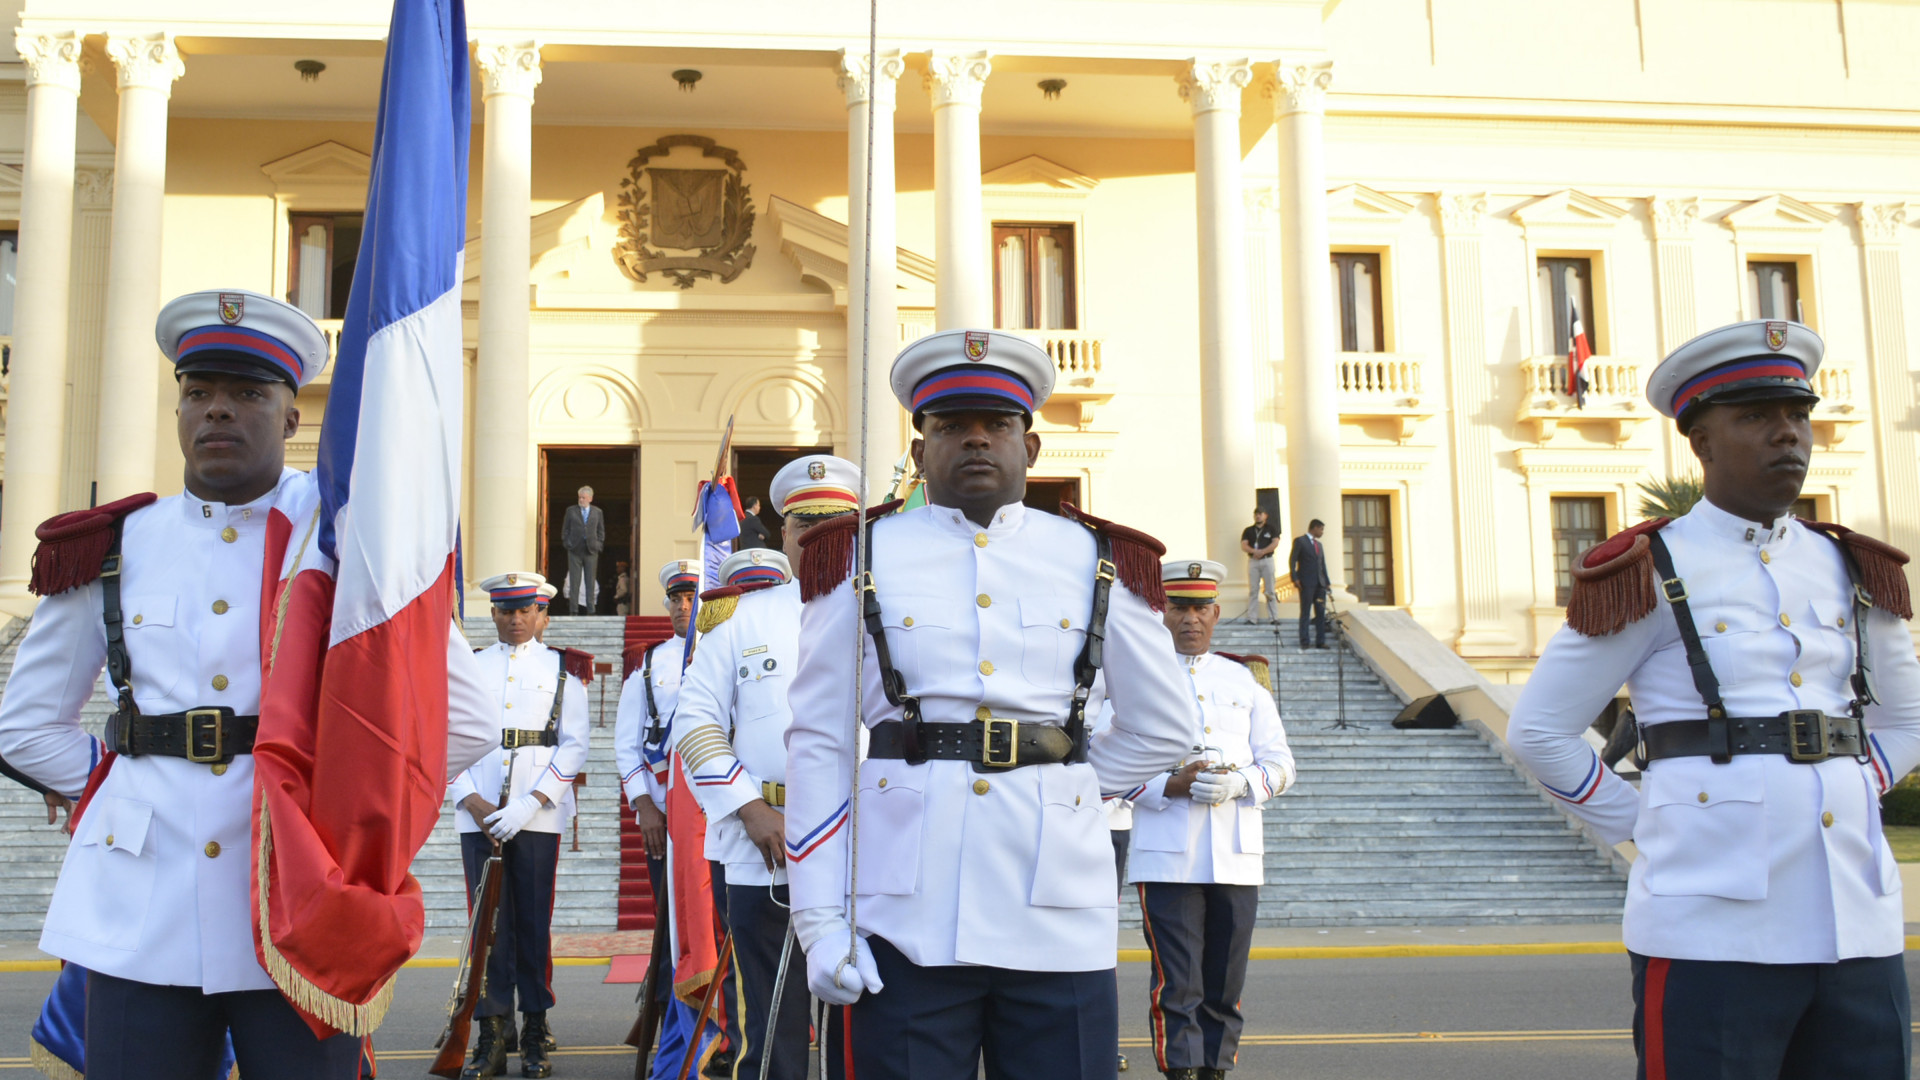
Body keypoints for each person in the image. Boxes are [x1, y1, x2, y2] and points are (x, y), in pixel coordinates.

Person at [0, 287, 500, 1080]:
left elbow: (464, 719)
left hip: (303, 895)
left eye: (248, 394)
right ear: (177, 411)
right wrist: (122, 785)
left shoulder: (348, 541)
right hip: (140, 902)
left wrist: (340, 810)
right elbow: (26, 726)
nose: (218, 410)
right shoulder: (114, 545)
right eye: (198, 392)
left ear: (294, 417)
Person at [1506, 318, 1920, 1080]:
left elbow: (1908, 719)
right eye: (1757, 417)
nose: (1787, 434)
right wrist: (1644, 822)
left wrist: (1864, 779)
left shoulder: (1852, 566)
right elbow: (1540, 731)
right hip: (1708, 929)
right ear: (1700, 443)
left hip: (1858, 925)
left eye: (1797, 415)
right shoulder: (1648, 569)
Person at [784, 327, 1196, 1080]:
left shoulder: (1098, 559)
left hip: (1056, 914)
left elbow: (1166, 726)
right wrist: (819, 919)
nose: (976, 440)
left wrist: (1059, 780)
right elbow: (819, 743)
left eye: (997, 424)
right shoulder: (858, 555)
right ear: (920, 452)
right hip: (901, 914)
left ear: (1030, 447)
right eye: (951, 426)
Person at [677, 453, 860, 1080]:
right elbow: (694, 721)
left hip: (867, 840)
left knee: (862, 1020)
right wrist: (747, 807)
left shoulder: (888, 614)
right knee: (771, 1015)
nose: (818, 537)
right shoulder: (739, 617)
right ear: (784, 534)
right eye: (804, 524)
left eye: (834, 524)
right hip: (764, 843)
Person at [1119, 560, 1293, 1080]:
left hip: (1235, 853)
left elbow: (1281, 763)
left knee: (1225, 982)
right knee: (1177, 982)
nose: (1190, 619)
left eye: (1200, 608)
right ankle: (1181, 1070)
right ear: (1161, 612)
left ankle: (1215, 1069)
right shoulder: (1135, 677)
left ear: (1216, 613)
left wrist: (1243, 783)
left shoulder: (1244, 679)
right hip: (1167, 852)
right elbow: (1104, 763)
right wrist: (1165, 785)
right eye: (1179, 607)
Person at [451, 572, 593, 1080]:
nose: (516, 619)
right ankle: (491, 1033)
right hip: (479, 813)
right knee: (488, 928)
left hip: (538, 814)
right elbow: (444, 734)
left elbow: (574, 745)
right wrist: (469, 799)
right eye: (506, 611)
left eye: (525, 610)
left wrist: (531, 803)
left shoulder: (562, 669)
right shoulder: (469, 665)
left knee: (532, 924)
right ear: (492, 613)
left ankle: (534, 1028)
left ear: (542, 615)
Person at [1287, 520, 1331, 651]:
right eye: (1321, 529)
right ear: (1315, 528)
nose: (1322, 532)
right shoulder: (1300, 541)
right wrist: (1295, 578)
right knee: (1306, 612)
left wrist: (1327, 582)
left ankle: (1320, 641)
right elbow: (1292, 560)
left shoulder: (1319, 545)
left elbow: (1322, 565)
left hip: (1320, 584)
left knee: (1321, 613)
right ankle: (1305, 641)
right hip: (1306, 583)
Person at [562, 485, 606, 614]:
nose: (581, 500)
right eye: (579, 497)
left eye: (583, 498)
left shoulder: (597, 512)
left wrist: (599, 545)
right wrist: (567, 543)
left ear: (590, 498)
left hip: (591, 550)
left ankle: (591, 610)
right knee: (574, 581)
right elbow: (565, 529)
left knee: (590, 581)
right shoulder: (571, 511)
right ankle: (573, 610)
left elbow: (601, 531)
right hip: (575, 550)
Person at [1239, 509, 1279, 623]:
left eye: (1260, 514)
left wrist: (1263, 551)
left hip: (1267, 560)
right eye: (1256, 514)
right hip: (1253, 561)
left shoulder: (1271, 529)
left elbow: (1275, 542)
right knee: (1253, 590)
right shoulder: (1248, 530)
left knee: (1270, 590)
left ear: (1265, 515)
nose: (1258, 516)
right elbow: (1244, 545)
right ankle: (1252, 618)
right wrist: (1254, 551)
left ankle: (1273, 617)